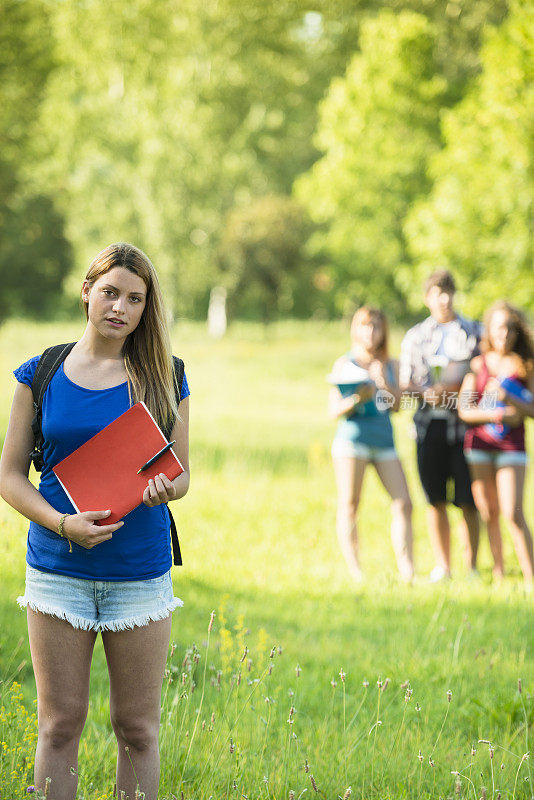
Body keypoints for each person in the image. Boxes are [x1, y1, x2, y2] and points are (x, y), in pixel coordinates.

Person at [0, 243, 190, 800]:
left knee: (137, 729)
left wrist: (164, 489)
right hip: (58, 569)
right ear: (87, 291)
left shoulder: (165, 374)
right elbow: (10, 478)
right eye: (110, 292)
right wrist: (63, 524)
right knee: (60, 725)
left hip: (139, 571)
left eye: (135, 299)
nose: (120, 308)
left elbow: (181, 476)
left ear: (145, 308)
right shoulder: (42, 372)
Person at [399, 270, 480, 582]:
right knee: (435, 499)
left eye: (448, 291)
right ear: (427, 298)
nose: (443, 298)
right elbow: (406, 386)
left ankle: (471, 566)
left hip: (465, 428)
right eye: (436, 292)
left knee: (467, 500)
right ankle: (443, 567)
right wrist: (428, 393)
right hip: (427, 427)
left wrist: (459, 389)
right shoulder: (415, 336)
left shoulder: (474, 331)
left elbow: (485, 374)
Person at [329, 306, 414, 583]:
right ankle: (356, 572)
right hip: (352, 442)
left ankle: (407, 571)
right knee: (351, 504)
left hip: (384, 441)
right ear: (356, 329)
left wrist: (384, 382)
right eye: (365, 326)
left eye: (376, 326)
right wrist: (358, 398)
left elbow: (399, 406)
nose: (370, 332)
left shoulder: (391, 364)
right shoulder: (345, 363)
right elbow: (333, 411)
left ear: (383, 332)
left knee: (403, 502)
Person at [458, 301, 534, 585]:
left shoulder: (526, 365)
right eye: (499, 327)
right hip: (479, 445)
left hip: (512, 447)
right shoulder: (477, 364)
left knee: (513, 512)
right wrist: (498, 413)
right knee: (488, 511)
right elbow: (465, 409)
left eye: (511, 328)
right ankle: (499, 571)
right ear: (489, 329)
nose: (505, 333)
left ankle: (530, 578)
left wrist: (509, 398)